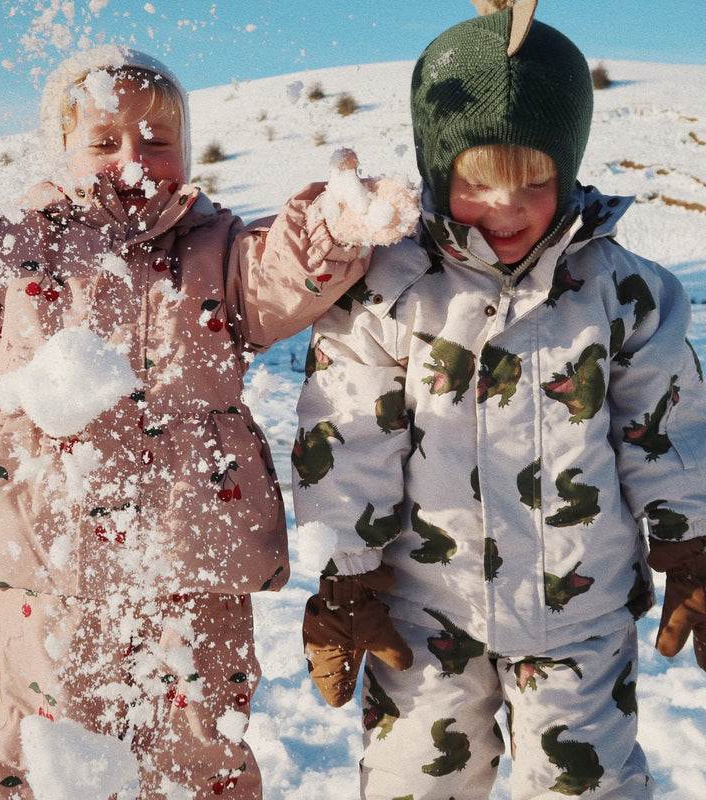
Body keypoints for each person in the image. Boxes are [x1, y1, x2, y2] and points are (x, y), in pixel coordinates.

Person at [0, 45, 417, 799]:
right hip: (54, 557)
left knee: (203, 736)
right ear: (64, 148)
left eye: (157, 140)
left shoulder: (218, 248)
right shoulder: (21, 248)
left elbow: (280, 274)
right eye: (105, 141)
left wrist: (335, 224)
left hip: (194, 550)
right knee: (54, 739)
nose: (133, 158)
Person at [292, 4, 706, 799]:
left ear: (570, 167)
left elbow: (672, 421)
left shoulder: (624, 291)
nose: (506, 209)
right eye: (476, 183)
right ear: (437, 170)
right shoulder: (391, 292)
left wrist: (691, 542)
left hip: (581, 616)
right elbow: (346, 430)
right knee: (415, 783)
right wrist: (344, 574)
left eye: (535, 182)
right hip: (422, 617)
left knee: (589, 786)